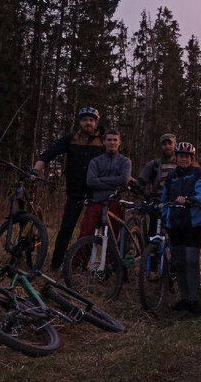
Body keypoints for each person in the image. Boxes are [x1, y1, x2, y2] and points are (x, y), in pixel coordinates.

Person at [32, 106, 105, 270]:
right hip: (75, 191)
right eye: (85, 120)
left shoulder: (103, 140)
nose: (88, 123)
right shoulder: (71, 138)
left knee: (90, 231)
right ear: (80, 122)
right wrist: (37, 168)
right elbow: (50, 153)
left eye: (91, 120)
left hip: (96, 192)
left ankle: (80, 265)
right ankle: (56, 264)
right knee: (66, 228)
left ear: (96, 122)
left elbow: (115, 159)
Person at [161, 142, 201, 315]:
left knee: (191, 261)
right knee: (179, 262)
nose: (183, 159)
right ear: (177, 157)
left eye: (186, 157)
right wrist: (164, 216)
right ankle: (184, 297)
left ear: (191, 158)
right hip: (175, 223)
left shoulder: (198, 172)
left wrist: (189, 199)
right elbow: (165, 198)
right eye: (180, 156)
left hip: (193, 223)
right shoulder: (171, 176)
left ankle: (193, 299)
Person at [76, 128, 132, 239]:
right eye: (109, 140)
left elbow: (123, 180)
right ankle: (80, 257)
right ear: (104, 142)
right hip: (96, 202)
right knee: (85, 235)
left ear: (119, 142)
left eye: (115, 140)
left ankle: (109, 257)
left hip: (114, 203)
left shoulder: (125, 161)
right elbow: (90, 182)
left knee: (113, 239)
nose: (112, 142)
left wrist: (100, 180)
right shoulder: (95, 161)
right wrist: (114, 182)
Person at [136, 134, 178, 234]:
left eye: (169, 143)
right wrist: (145, 194)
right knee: (153, 234)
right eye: (164, 144)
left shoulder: (181, 164)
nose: (167, 146)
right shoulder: (154, 164)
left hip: (175, 204)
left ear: (175, 145)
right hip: (157, 203)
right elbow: (140, 181)